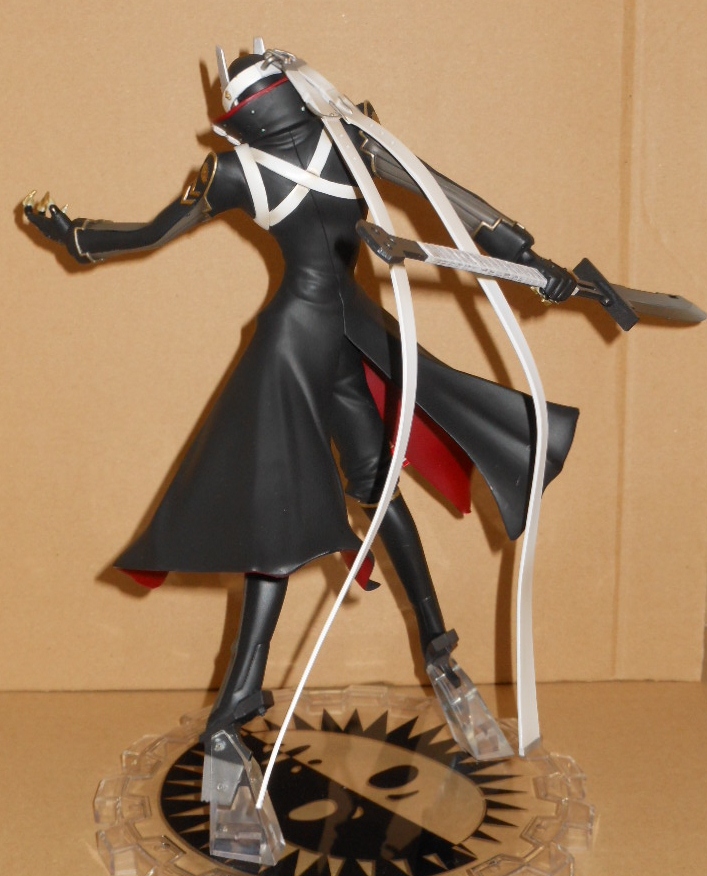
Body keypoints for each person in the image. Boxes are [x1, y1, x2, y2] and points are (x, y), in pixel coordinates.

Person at [22, 50, 578, 755]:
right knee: (290, 506)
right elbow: (448, 198)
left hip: (331, 332)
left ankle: (433, 647)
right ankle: (265, 686)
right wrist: (524, 254)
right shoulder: (334, 143)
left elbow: (439, 196)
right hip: (317, 337)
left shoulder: (293, 154)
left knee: (355, 492)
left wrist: (78, 239)